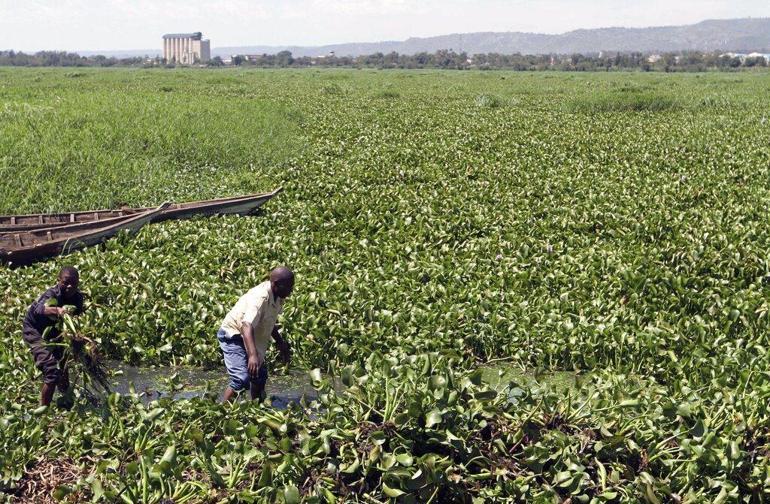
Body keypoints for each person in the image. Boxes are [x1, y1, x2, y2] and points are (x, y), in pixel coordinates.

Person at [218, 266, 294, 402]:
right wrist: (252, 355)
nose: (290, 291)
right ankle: (222, 414)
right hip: (233, 334)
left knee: (260, 375)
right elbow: (246, 325)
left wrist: (280, 343)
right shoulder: (261, 297)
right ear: (276, 284)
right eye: (288, 287)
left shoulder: (278, 296)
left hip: (249, 334)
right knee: (241, 379)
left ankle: (257, 409)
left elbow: (269, 321)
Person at [22, 266, 85, 406]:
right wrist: (57, 310)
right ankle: (44, 413)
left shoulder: (78, 298)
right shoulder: (51, 294)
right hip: (35, 330)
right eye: (65, 282)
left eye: (73, 283)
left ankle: (65, 401)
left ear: (78, 283)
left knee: (63, 362)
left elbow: (78, 320)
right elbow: (39, 309)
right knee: (51, 368)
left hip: (56, 332)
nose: (69, 286)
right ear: (58, 281)